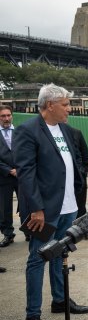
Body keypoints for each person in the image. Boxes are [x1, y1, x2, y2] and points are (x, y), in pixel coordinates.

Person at [13, 84, 88, 320]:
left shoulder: (67, 130)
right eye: (66, 104)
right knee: (37, 260)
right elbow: (26, 172)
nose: (70, 108)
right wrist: (36, 209)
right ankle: (32, 315)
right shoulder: (28, 131)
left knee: (60, 256)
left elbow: (74, 163)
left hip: (69, 207)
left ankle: (60, 301)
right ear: (50, 105)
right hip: (44, 212)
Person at [0, 105, 19, 247]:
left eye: (8, 115)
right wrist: (9, 170)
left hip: (22, 175)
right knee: (4, 208)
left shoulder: (20, 132)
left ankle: (29, 232)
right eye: (2, 116)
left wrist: (20, 169)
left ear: (12, 116)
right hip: (3, 177)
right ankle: (8, 234)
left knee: (26, 205)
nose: (6, 118)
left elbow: (28, 152)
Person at [70, 127, 88, 218]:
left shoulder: (76, 133)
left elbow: (84, 152)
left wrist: (84, 170)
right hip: (62, 176)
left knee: (80, 202)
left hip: (78, 174)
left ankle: (80, 223)